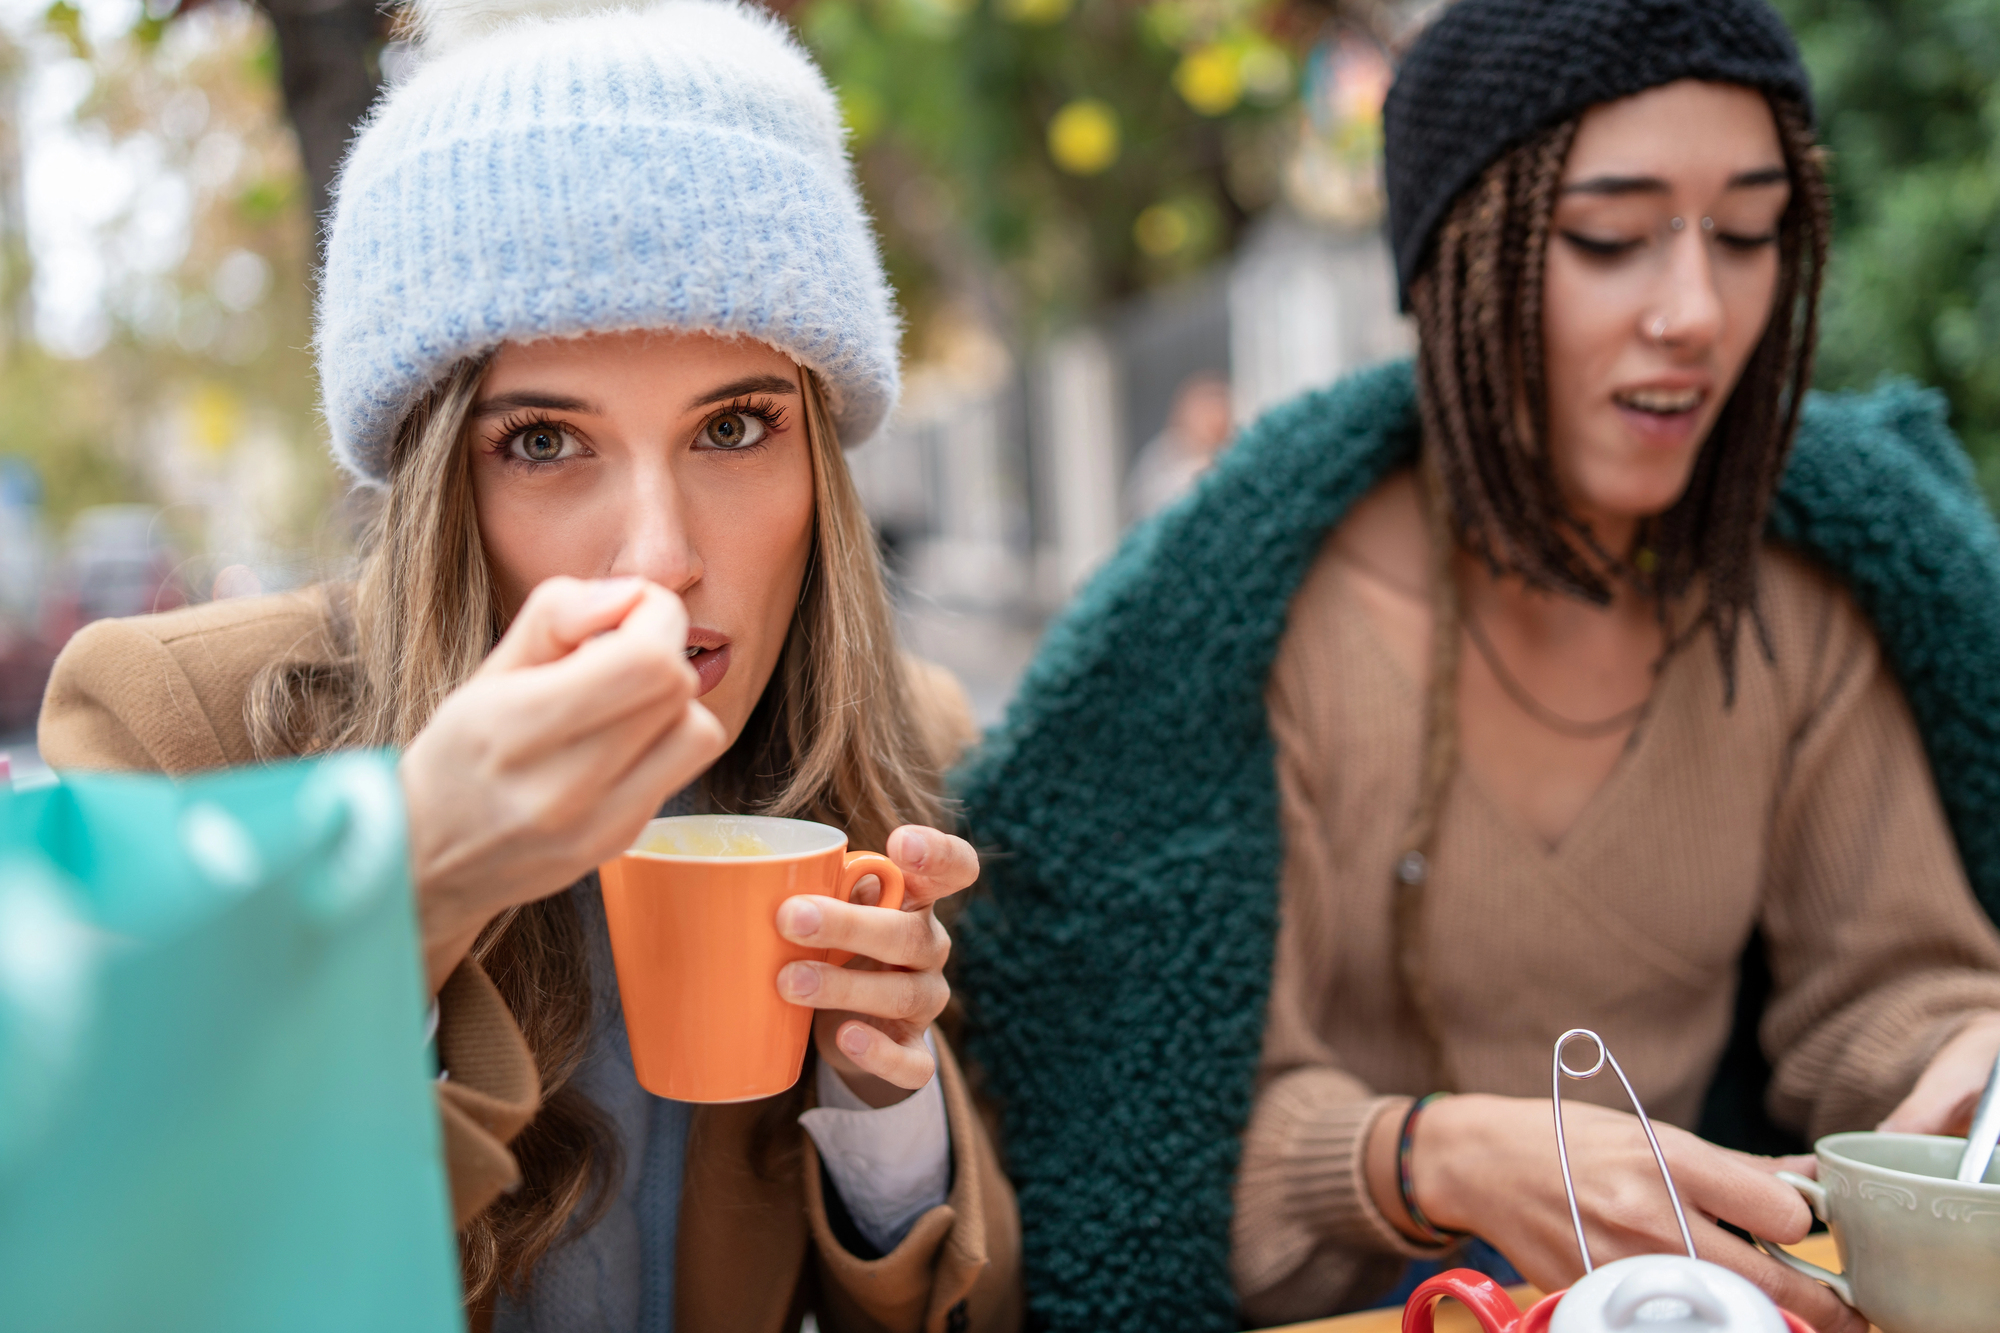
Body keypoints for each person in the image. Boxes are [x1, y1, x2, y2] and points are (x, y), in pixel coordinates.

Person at [949, 2, 2000, 1330]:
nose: (1697, 308)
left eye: (1748, 232)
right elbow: (1156, 1124)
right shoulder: (1282, 633)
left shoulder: (1791, 609)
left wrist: (1961, 1058)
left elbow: (1891, 986)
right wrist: (1431, 1155)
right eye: (1612, 237)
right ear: (1456, 261)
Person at [38, 2, 1020, 1329]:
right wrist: (405, 882)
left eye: (735, 426)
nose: (659, 559)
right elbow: (118, 1275)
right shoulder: (187, 733)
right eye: (546, 444)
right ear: (445, 483)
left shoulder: (896, 737)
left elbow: (982, 1308)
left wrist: (881, 1101)